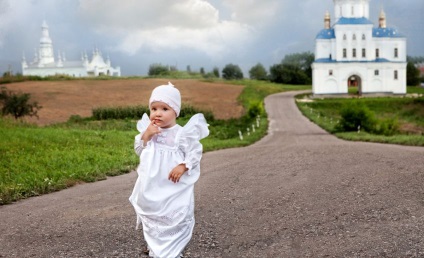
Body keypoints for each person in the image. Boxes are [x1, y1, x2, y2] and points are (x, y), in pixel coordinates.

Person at [129, 82, 209, 258]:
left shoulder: (182, 134)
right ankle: (155, 247)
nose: (158, 113)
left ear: (175, 112)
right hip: (152, 183)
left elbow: (194, 152)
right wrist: (147, 135)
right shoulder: (148, 131)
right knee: (153, 215)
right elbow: (139, 149)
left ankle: (172, 250)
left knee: (175, 215)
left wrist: (183, 165)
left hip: (173, 185)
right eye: (154, 108)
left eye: (165, 109)